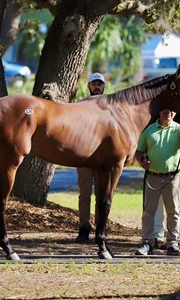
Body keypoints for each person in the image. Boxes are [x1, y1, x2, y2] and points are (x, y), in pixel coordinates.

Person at [134, 109, 180, 256]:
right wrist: (142, 162)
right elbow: (139, 151)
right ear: (159, 112)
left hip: (173, 177)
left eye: (171, 110)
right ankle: (147, 242)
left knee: (173, 211)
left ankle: (172, 243)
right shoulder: (148, 130)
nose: (168, 112)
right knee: (148, 211)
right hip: (152, 176)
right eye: (165, 110)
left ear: (175, 113)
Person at [75, 72, 106, 243]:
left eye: (99, 84)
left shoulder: (110, 106)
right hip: (85, 157)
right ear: (88, 86)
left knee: (102, 194)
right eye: (94, 84)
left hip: (102, 159)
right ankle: (84, 228)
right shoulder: (81, 105)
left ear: (104, 86)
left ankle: (101, 229)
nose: (97, 87)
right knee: (84, 193)